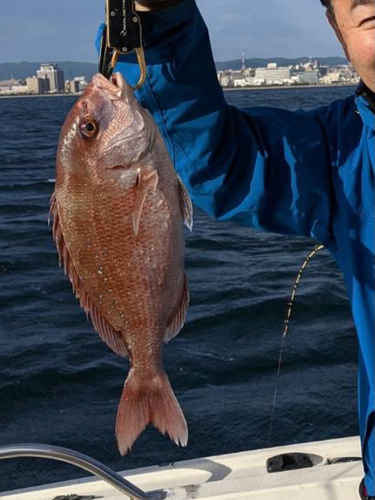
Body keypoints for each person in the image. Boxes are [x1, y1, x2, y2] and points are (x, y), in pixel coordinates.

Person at [96, 0, 374, 497]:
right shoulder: (341, 154)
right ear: (338, 32)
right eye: (369, 17)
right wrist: (160, 21)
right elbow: (220, 161)